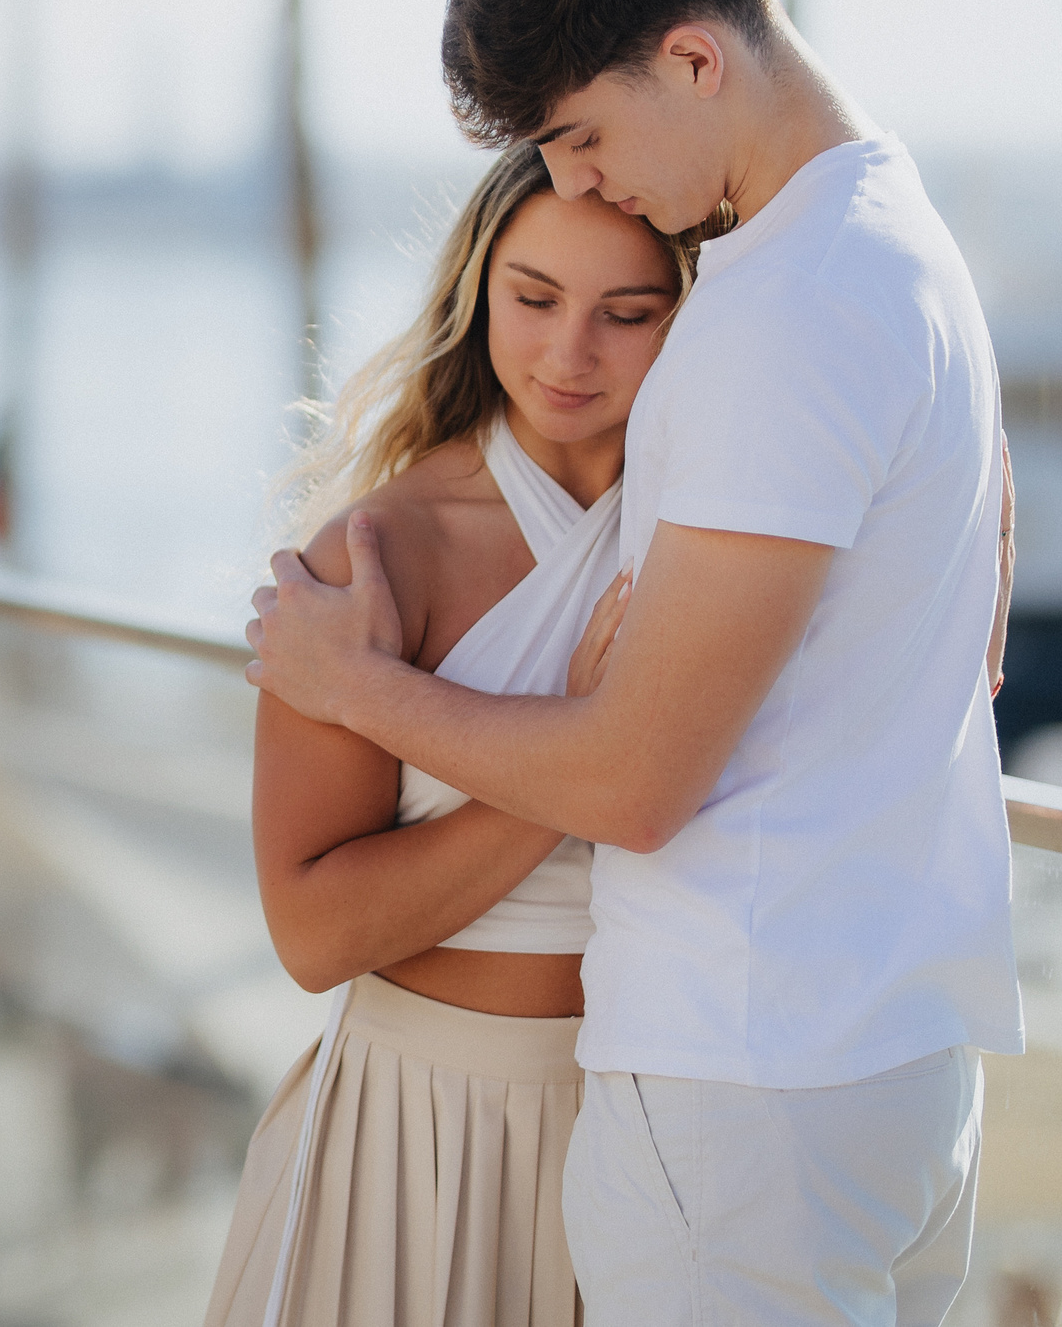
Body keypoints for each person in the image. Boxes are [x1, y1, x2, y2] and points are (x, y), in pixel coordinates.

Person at [245, 0, 1024, 1327]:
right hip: (887, 1059)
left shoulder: (782, 313)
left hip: (744, 1082)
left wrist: (355, 682)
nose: (576, 176)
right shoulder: (900, 250)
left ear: (692, 58)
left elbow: (637, 779)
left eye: (584, 135)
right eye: (534, 283)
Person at [205, 144, 696, 1327]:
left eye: (626, 314)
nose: (568, 353)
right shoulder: (377, 555)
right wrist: (584, 755)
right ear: (476, 293)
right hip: (425, 1132)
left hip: (661, 1135)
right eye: (533, 298)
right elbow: (313, 933)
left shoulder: (715, 541)